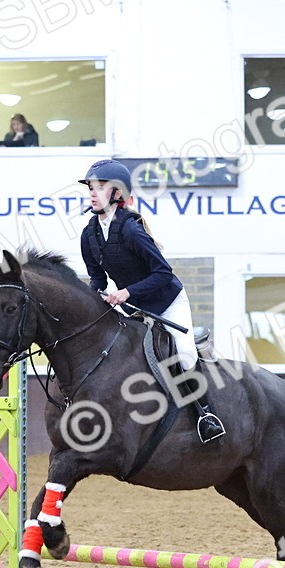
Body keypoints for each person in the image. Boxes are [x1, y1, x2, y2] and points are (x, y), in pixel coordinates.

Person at [78, 158, 225, 443]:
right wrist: (92, 296)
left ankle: (206, 415)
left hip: (168, 303)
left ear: (118, 194)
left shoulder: (132, 230)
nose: (92, 193)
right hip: (135, 310)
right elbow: (97, 279)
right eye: (90, 188)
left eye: (100, 187)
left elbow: (162, 273)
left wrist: (126, 292)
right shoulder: (89, 235)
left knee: (184, 354)